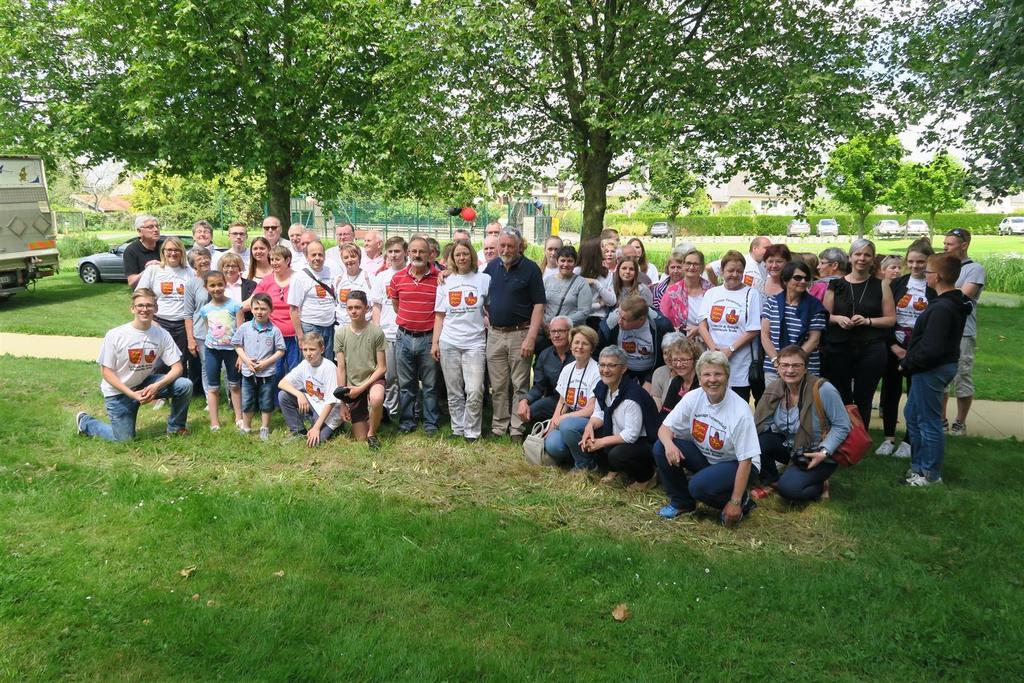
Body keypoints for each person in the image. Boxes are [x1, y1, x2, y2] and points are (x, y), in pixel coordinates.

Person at [653, 350, 761, 524]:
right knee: (661, 446)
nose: (712, 379)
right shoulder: (693, 397)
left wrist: (735, 501)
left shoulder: (740, 410)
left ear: (727, 376)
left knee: (698, 486)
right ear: (699, 377)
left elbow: (746, 460)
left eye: (718, 374)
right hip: (707, 456)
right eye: (706, 374)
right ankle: (682, 503)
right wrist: (669, 445)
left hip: (736, 463)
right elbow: (664, 429)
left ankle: (743, 501)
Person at [76, 288, 192, 440]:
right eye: (140, 305)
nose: (145, 309)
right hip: (119, 392)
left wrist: (156, 386)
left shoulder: (162, 334)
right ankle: (85, 422)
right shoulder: (115, 335)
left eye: (149, 305)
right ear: (132, 308)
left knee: (184, 385)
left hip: (144, 384)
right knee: (123, 440)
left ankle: (176, 428)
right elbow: (107, 372)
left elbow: (177, 368)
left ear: (156, 308)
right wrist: (132, 394)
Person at [900, 254, 973, 485]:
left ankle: (930, 475)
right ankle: (918, 468)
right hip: (931, 368)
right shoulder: (950, 301)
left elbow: (931, 349)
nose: (924, 275)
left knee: (928, 421)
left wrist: (907, 364)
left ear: (937, 277)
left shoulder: (943, 308)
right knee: (913, 414)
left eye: (928, 272)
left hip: (931, 370)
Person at [752, 345, 851, 501]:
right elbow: (759, 424)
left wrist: (824, 453)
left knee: (790, 491)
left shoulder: (823, 389)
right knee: (756, 441)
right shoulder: (775, 389)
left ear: (805, 368)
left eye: (796, 365)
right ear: (777, 367)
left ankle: (820, 484)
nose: (790, 370)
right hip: (792, 447)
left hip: (817, 452)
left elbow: (843, 425)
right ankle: (771, 481)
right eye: (784, 365)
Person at [822, 239, 895, 428]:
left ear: (872, 260)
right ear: (850, 257)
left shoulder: (881, 285)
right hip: (839, 347)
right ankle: (842, 436)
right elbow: (824, 315)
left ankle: (860, 439)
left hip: (870, 348)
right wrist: (838, 319)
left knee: (864, 397)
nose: (862, 259)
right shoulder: (836, 284)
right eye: (858, 254)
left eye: (867, 255)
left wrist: (868, 321)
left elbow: (890, 319)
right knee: (841, 395)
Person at [484, 227, 546, 441]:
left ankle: (517, 428)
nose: (506, 249)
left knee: (520, 383)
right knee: (498, 384)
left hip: (521, 334)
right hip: (495, 334)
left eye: (511, 245)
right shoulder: (491, 267)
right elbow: (478, 292)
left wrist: (531, 336)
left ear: (519, 246)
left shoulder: (531, 269)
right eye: (503, 245)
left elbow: (539, 305)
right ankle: (499, 426)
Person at [568, 346, 660, 489]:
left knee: (617, 454)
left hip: (644, 441)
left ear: (623, 369)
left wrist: (601, 442)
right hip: (618, 431)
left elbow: (631, 435)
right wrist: (589, 426)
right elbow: (599, 414)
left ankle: (647, 476)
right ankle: (613, 468)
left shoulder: (632, 396)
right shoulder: (603, 386)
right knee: (588, 437)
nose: (605, 370)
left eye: (612, 365)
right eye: (602, 365)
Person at [878, 240, 935, 457]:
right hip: (895, 345)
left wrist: (916, 350)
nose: (914, 266)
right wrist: (892, 345)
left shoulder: (933, 287)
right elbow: (886, 315)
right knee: (891, 391)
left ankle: (910, 440)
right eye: (910, 261)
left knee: (915, 394)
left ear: (928, 261)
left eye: (920, 261)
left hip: (919, 349)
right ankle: (888, 438)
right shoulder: (898, 284)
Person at [431, 240, 490, 441]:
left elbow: (491, 308)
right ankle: (457, 428)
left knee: (474, 389)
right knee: (454, 389)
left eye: (465, 254)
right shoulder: (445, 281)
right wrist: (435, 342)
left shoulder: (484, 279)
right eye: (458, 255)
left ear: (471, 255)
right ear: (452, 258)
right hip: (449, 341)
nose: (462, 258)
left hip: (475, 343)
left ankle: (472, 431)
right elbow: (439, 315)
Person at [388, 235, 441, 435]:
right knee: (406, 384)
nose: (417, 255)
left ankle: (430, 423)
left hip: (428, 339)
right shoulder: (397, 278)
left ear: (430, 255)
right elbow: (396, 306)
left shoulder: (439, 279)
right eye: (414, 251)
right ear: (408, 253)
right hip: (404, 337)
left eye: (422, 251)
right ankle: (407, 422)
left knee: (430, 385)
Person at [698, 250, 762, 401]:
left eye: (739, 271)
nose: (734, 274)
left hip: (740, 365)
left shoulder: (751, 294)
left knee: (738, 402)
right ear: (722, 271)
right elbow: (702, 324)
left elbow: (753, 330)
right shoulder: (712, 293)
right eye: (730, 270)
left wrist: (730, 350)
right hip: (713, 362)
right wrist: (713, 348)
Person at [942, 228, 986, 436]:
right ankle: (941, 420)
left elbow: (963, 295)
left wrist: (941, 291)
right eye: (945, 244)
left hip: (963, 332)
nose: (945, 248)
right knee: (940, 377)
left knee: (962, 376)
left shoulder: (974, 269)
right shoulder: (943, 266)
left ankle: (960, 422)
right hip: (942, 330)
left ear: (964, 244)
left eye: (949, 244)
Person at [136, 237, 196, 385]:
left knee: (179, 360)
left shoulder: (189, 272)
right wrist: (150, 319)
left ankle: (180, 391)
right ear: (163, 252)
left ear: (182, 252)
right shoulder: (153, 270)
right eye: (169, 250)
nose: (173, 253)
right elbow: (140, 294)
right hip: (160, 321)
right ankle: (159, 392)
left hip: (183, 322)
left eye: (176, 250)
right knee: (159, 360)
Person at [334, 291, 387, 448]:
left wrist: (362, 388)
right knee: (360, 439)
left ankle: (373, 432)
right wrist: (343, 401)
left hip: (372, 379)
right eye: (350, 308)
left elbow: (382, 367)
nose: (353, 311)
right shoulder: (341, 333)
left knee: (376, 398)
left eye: (358, 307)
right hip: (353, 385)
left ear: (367, 308)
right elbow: (341, 368)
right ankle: (380, 416)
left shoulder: (376, 332)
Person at [542, 325, 601, 466]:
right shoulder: (568, 369)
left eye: (585, 343)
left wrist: (563, 418)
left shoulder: (597, 371)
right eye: (576, 342)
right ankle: (579, 454)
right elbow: (562, 401)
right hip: (571, 419)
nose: (579, 347)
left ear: (592, 348)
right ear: (571, 345)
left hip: (591, 421)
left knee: (567, 426)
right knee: (553, 445)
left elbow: (590, 409)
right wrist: (552, 423)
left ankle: (585, 465)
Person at [759, 261, 827, 381]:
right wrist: (776, 361)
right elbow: (765, 335)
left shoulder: (815, 306)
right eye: (797, 278)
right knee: (775, 400)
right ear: (785, 280)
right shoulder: (771, 303)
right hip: (774, 368)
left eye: (806, 278)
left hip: (805, 368)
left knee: (803, 400)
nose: (803, 281)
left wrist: (792, 364)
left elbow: (814, 339)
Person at [195, 270, 244, 432]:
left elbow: (240, 331)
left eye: (220, 284)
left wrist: (240, 354)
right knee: (213, 387)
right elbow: (208, 330)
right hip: (212, 352)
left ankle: (239, 417)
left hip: (232, 352)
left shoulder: (235, 306)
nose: (217, 288)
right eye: (212, 285)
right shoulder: (205, 310)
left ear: (225, 284)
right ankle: (214, 422)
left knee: (234, 385)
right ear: (206, 287)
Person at [232, 292, 285, 441]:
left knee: (266, 400)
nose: (259, 312)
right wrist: (246, 360)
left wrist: (266, 363)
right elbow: (237, 345)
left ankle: (264, 427)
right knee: (247, 400)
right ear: (252, 309)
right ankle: (246, 427)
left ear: (270, 310)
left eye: (263, 309)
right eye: (256, 309)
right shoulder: (244, 327)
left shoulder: (274, 330)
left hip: (267, 373)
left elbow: (281, 350)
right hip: (248, 372)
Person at [278, 332, 342, 447]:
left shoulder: (329, 367)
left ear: (322, 349)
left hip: (329, 411)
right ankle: (298, 432)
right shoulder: (304, 364)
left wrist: (316, 428)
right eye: (305, 350)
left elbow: (331, 402)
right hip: (313, 403)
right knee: (283, 395)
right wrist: (299, 394)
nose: (308, 354)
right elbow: (282, 383)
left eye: (312, 349)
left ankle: (334, 427)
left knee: (316, 442)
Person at [598, 294, 674, 388]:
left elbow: (669, 356)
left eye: (625, 319)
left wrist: (651, 379)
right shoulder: (611, 323)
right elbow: (598, 351)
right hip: (620, 368)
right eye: (619, 315)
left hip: (651, 369)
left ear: (641, 319)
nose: (619, 321)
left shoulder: (662, 326)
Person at [252, 245, 300, 385]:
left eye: (277, 259)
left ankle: (292, 400)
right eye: (271, 259)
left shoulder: (298, 278)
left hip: (294, 335)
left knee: (294, 369)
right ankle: (274, 402)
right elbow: (254, 300)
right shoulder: (266, 281)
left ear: (287, 260)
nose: (273, 262)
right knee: (276, 369)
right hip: (273, 334)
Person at [371, 236, 408, 419]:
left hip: (406, 332)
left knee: (407, 377)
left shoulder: (410, 274)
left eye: (397, 251)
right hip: (387, 332)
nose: (394, 255)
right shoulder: (381, 277)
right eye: (390, 251)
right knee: (391, 376)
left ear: (405, 252)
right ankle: (391, 411)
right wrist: (377, 329)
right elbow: (377, 305)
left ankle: (409, 410)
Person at [517, 316, 574, 426]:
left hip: (579, 403)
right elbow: (539, 386)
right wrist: (524, 401)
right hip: (556, 400)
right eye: (553, 331)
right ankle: (543, 432)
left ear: (570, 332)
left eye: (561, 331)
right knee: (531, 411)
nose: (556, 335)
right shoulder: (545, 355)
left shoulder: (578, 352)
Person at [288, 239, 337, 360]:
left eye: (320, 254)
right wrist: (300, 335)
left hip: (329, 326)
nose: (317, 258)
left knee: (327, 363)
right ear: (306, 256)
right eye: (313, 254)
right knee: (311, 363)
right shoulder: (299, 277)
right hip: (310, 327)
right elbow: (293, 309)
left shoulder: (331, 272)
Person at [541, 245, 592, 350]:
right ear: (557, 261)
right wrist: (544, 324)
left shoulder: (581, 283)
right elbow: (539, 305)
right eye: (562, 260)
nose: (565, 264)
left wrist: (561, 326)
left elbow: (584, 311)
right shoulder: (547, 280)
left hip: (570, 334)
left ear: (575, 263)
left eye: (569, 261)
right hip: (547, 332)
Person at [660, 248, 712, 341]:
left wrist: (700, 329)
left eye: (695, 264)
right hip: (680, 344)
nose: (691, 267)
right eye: (688, 263)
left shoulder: (711, 291)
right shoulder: (672, 292)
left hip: (708, 341)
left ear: (702, 267)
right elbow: (663, 320)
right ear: (683, 265)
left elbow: (718, 320)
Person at [183, 247, 214, 399]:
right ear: (193, 265)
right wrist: (190, 339)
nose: (203, 261)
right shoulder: (191, 284)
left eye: (205, 257)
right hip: (201, 331)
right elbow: (188, 313)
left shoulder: (219, 278)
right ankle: (210, 398)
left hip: (223, 330)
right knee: (206, 365)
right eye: (198, 259)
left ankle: (228, 396)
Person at [650, 335, 701, 416]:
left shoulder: (701, 382)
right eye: (675, 360)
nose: (678, 364)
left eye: (684, 360)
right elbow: (666, 411)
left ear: (694, 360)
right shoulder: (676, 382)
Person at [576, 237, 616, 331]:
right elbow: (575, 306)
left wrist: (596, 283)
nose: (605, 249)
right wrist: (599, 305)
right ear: (594, 251)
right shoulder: (576, 272)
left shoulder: (607, 273)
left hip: (599, 319)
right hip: (580, 319)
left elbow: (611, 301)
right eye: (602, 247)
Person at [331, 242, 374, 329]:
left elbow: (374, 306)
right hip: (342, 328)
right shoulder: (338, 280)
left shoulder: (369, 278)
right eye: (346, 257)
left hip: (363, 328)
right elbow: (335, 303)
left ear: (359, 258)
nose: (349, 260)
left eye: (353, 256)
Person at [124, 215, 163, 289]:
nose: (156, 229)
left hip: (165, 293)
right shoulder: (131, 250)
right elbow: (132, 283)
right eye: (150, 227)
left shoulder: (164, 246)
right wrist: (148, 270)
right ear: (139, 231)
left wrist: (161, 265)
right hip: (145, 295)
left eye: (157, 226)